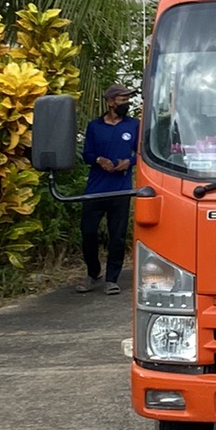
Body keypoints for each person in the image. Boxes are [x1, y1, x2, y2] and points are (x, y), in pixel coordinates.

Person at [79, 83, 138, 294]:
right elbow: (86, 154)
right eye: (123, 100)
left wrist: (129, 162)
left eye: (128, 100)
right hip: (95, 188)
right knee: (88, 232)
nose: (126, 104)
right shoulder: (95, 126)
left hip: (121, 189)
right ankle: (93, 273)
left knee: (118, 235)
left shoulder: (133, 125)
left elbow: (140, 153)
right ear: (111, 102)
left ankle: (112, 279)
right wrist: (98, 159)